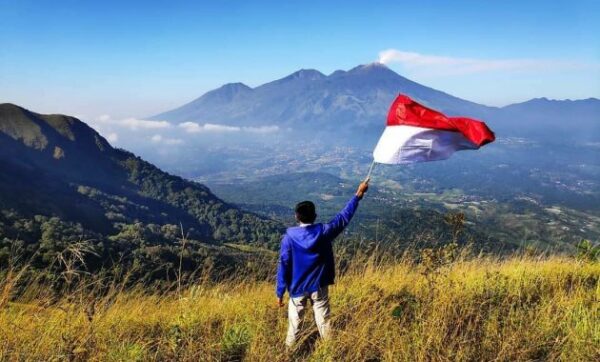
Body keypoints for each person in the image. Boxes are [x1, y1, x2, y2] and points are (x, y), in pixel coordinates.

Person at [276, 180, 369, 347]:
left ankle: (288, 353)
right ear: (315, 216)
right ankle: (329, 351)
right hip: (318, 285)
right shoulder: (324, 232)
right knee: (324, 322)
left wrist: (280, 292)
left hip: (297, 287)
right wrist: (358, 196)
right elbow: (343, 218)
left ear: (297, 216)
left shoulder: (289, 238)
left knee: (294, 325)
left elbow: (284, 264)